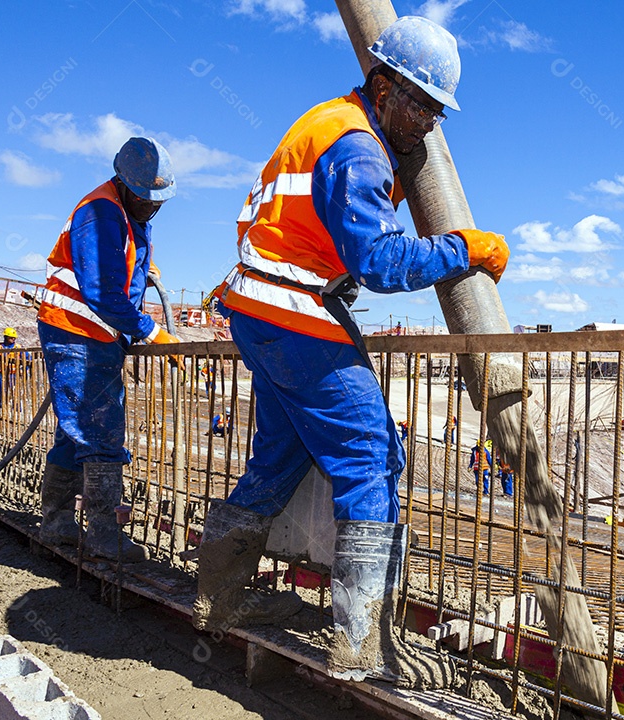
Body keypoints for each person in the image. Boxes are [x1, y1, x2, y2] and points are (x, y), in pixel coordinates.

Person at [194, 16, 508, 687]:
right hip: (292, 310)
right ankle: (360, 639)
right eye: (420, 103)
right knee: (370, 452)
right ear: (382, 84)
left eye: (437, 110)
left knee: (282, 451)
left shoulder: (329, 121)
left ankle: (214, 597)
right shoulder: (359, 149)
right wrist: (465, 249)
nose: (427, 121)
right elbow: (378, 260)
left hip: (258, 308)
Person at [35, 136, 181, 561]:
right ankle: (101, 533)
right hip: (77, 332)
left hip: (94, 335)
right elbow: (101, 292)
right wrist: (151, 331)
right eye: (145, 198)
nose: (152, 207)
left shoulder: (127, 214)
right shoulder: (99, 212)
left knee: (73, 428)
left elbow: (121, 269)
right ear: (123, 182)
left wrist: (140, 265)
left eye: (158, 201)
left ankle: (56, 522)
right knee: (99, 427)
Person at [0, 327, 30, 403]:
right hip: (2, 372)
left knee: (15, 391)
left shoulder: (18, 347)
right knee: (2, 390)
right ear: (6, 337)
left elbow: (27, 359)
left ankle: (17, 406)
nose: (13, 339)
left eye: (14, 338)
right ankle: (2, 404)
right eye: (11, 337)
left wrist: (24, 369)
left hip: (13, 373)